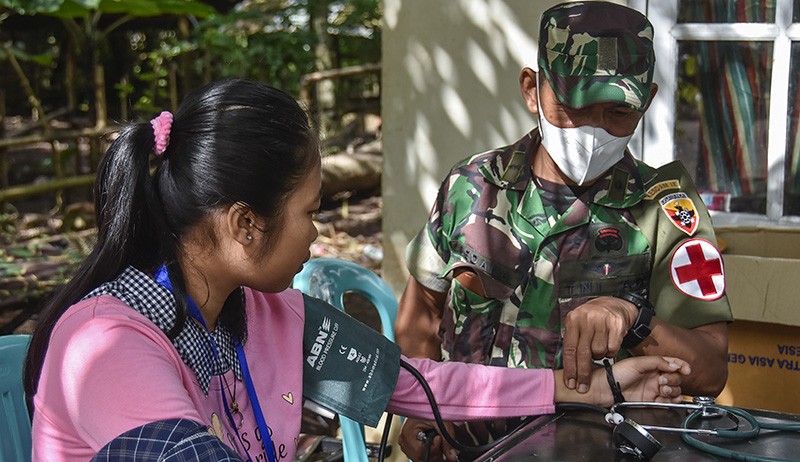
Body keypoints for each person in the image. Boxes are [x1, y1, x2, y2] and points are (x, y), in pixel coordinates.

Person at [23, 78, 689, 461]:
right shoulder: (108, 345)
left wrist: (590, 390)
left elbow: (411, 381)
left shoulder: (260, 312)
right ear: (244, 224)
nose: (318, 233)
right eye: (312, 212)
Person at [395, 1, 733, 460]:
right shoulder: (471, 186)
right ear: (533, 89)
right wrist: (426, 410)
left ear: (647, 101)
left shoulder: (665, 211)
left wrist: (633, 318)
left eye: (618, 112)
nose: (594, 130)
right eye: (575, 105)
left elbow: (711, 369)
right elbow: (419, 317)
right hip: (469, 449)